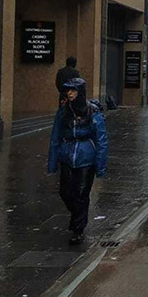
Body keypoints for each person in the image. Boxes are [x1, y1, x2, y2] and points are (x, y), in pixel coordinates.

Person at [47, 78, 108, 244]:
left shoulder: (92, 111)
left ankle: (78, 229)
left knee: (81, 193)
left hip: (86, 157)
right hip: (66, 155)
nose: (70, 93)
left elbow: (101, 139)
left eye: (73, 90)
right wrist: (52, 162)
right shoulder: (63, 111)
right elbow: (55, 135)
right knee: (65, 191)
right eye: (68, 90)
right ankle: (77, 216)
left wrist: (100, 165)